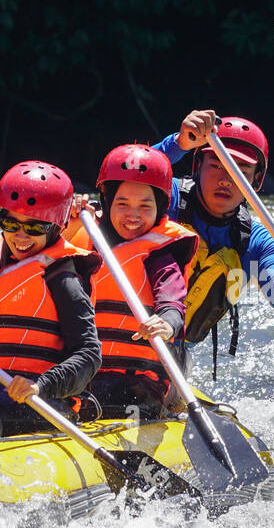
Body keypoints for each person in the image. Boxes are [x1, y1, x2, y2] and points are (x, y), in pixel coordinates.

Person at [154, 111, 274, 371]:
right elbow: (127, 174)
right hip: (110, 333)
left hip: (170, 359)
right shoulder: (164, 198)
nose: (225, 179)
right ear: (198, 166)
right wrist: (179, 143)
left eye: (239, 171)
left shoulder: (255, 241)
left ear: (255, 181)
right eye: (217, 165)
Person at [64, 144, 197, 416]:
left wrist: (167, 323)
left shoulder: (161, 254)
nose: (133, 215)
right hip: (84, 370)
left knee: (115, 392)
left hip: (139, 378)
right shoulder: (83, 234)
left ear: (160, 207)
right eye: (122, 204)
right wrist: (66, 219)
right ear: (106, 201)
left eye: (145, 206)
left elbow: (172, 300)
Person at [0, 161, 102, 437]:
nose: (20, 236)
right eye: (10, 222)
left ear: (56, 227)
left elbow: (89, 354)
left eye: (34, 227)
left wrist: (40, 385)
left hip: (38, 407)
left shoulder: (63, 277)